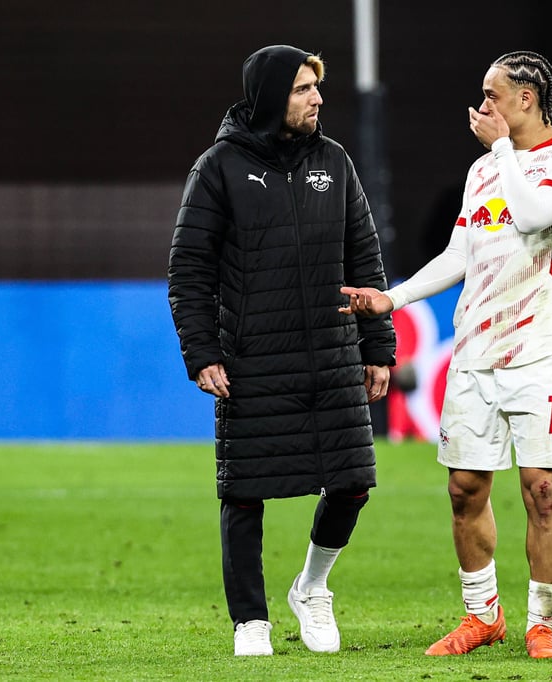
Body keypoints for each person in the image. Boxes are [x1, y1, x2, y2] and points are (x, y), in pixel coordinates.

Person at [340, 50, 552, 659]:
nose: (481, 107)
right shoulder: (484, 172)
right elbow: (461, 254)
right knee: (464, 489)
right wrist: (393, 298)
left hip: (539, 351)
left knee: (541, 491)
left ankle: (542, 624)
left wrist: (503, 152)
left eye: (491, 95)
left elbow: (538, 214)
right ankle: (483, 615)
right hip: (474, 352)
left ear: (526, 99)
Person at [167, 44, 396, 657]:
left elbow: (365, 257)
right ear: (271, 97)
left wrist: (378, 347)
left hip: (332, 352)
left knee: (351, 482)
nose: (317, 98)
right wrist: (202, 351)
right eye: (302, 89)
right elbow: (189, 268)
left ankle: (312, 588)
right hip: (251, 355)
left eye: (316, 88)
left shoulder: (335, 161)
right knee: (245, 490)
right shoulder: (218, 167)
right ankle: (250, 621)